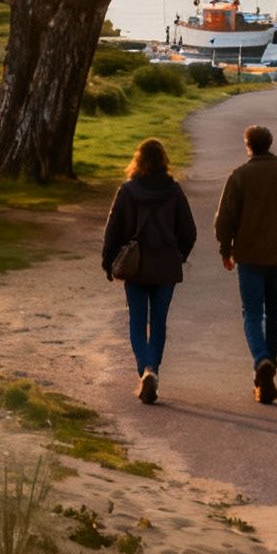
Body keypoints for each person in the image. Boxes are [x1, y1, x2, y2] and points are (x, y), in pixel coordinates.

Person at [213, 122, 277, 405]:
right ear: (270, 144)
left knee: (251, 313)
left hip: (249, 256)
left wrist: (225, 250)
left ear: (248, 146)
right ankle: (269, 363)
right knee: (276, 313)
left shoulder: (239, 177)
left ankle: (261, 361)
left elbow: (224, 220)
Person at [101, 136, 198, 406]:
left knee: (136, 321)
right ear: (164, 160)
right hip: (166, 265)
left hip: (136, 266)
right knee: (158, 323)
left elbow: (113, 231)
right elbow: (189, 231)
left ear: (139, 160)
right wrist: (179, 256)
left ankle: (144, 368)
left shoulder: (128, 191)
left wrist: (109, 262)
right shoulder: (174, 191)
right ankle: (152, 369)